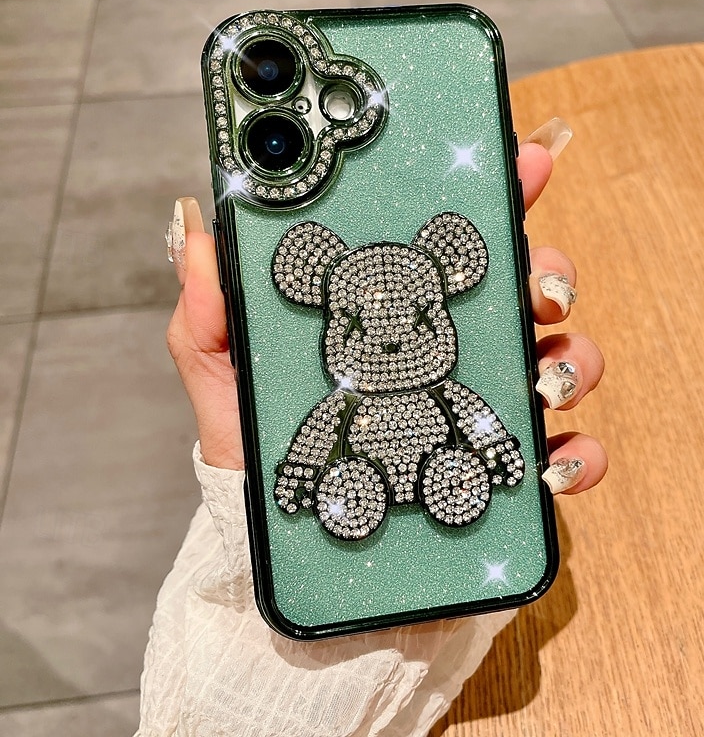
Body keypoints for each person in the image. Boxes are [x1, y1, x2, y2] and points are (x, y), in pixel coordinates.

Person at [137, 121, 607, 737]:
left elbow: (472, 413)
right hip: (364, 479)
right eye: (361, 325)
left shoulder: (440, 389)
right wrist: (297, 475)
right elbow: (320, 430)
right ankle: (364, 496)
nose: (390, 342)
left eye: (416, 320)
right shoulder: (343, 401)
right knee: (351, 484)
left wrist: (496, 449)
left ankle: (444, 484)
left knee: (456, 468)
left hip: (441, 470)